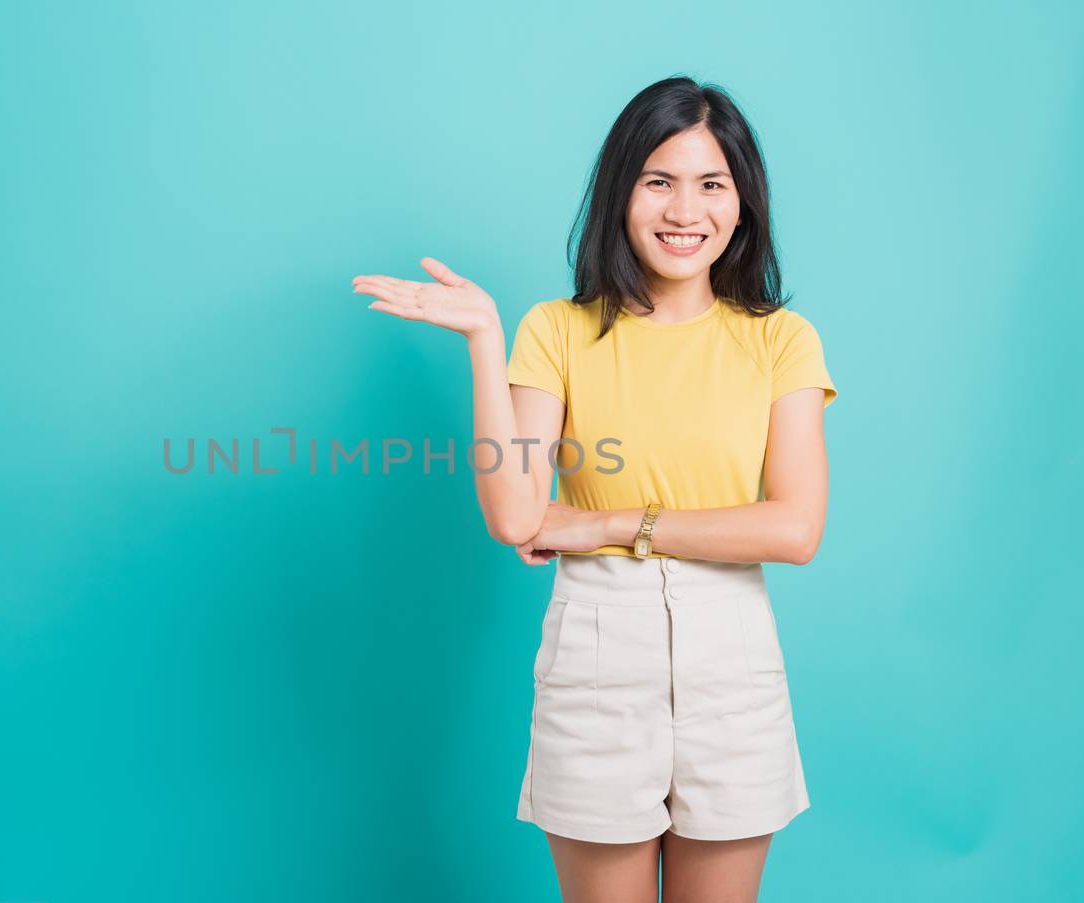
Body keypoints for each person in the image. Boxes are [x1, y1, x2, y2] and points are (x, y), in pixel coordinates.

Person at [350, 74, 835, 903]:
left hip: (733, 660)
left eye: (711, 185)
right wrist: (482, 337)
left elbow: (793, 530)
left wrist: (607, 520)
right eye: (659, 182)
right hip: (600, 654)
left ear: (742, 203)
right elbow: (516, 514)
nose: (686, 211)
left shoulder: (780, 341)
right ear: (622, 193)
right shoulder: (557, 330)